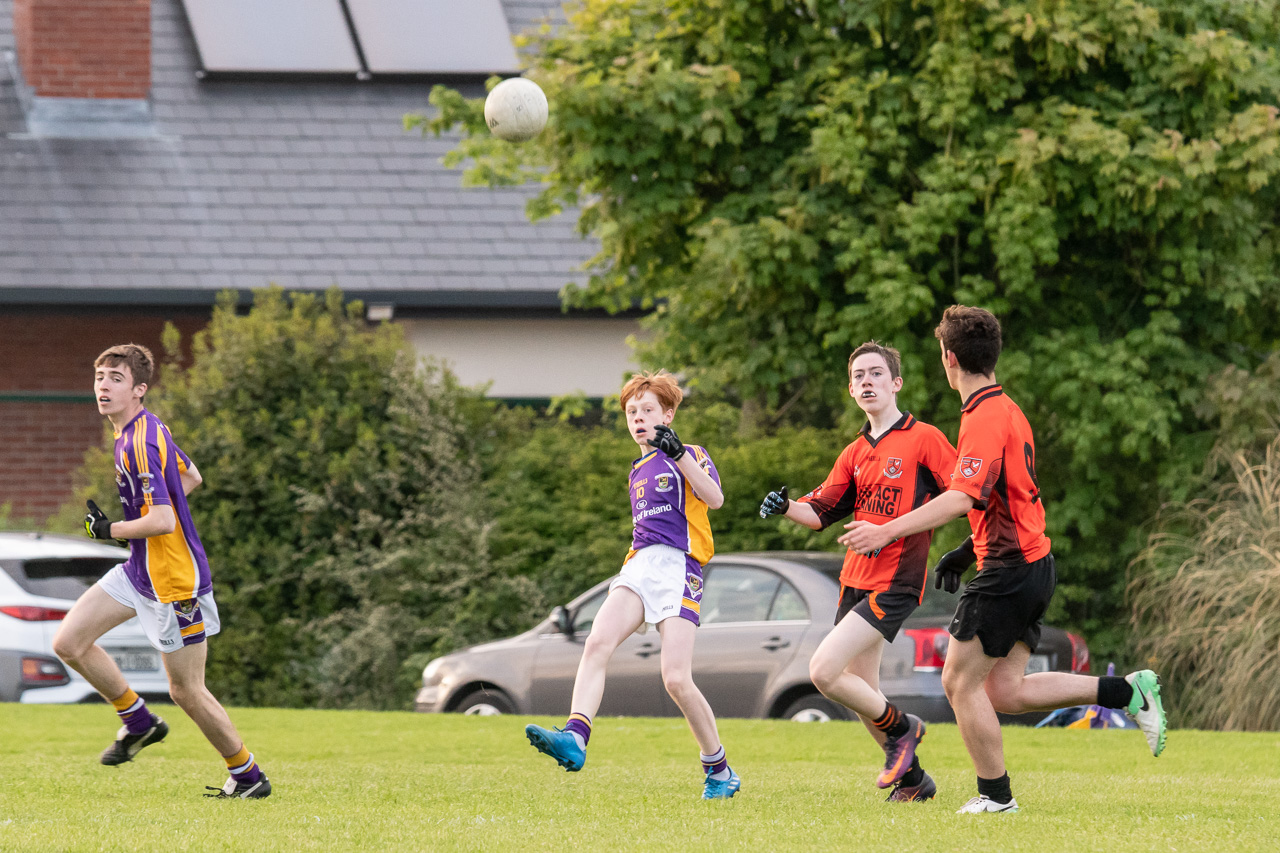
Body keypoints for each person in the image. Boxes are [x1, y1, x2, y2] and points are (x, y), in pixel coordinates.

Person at [840, 306, 1167, 814]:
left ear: (949, 359)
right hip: (1033, 563)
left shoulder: (984, 417)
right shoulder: (1007, 408)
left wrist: (885, 529)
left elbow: (961, 498)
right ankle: (1126, 691)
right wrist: (966, 549)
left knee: (958, 682)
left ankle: (995, 798)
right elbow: (1008, 495)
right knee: (1005, 690)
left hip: (1010, 570)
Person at [53, 344, 270, 799]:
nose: (104, 386)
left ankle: (248, 776)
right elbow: (191, 477)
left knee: (187, 690)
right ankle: (137, 721)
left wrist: (111, 528)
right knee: (69, 642)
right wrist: (138, 529)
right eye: (100, 377)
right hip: (139, 570)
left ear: (139, 389)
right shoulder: (143, 430)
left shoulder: (139, 441)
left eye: (115, 378)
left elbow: (164, 521)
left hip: (174, 584)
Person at [524, 370, 739, 800]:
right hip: (639, 565)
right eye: (631, 412)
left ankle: (718, 768)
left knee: (676, 679)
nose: (638, 418)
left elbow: (715, 498)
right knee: (596, 643)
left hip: (680, 567)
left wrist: (680, 457)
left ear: (668, 414)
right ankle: (576, 736)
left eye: (647, 410)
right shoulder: (637, 469)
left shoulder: (690, 453)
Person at [759, 341, 956, 802]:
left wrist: (965, 548)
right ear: (851, 390)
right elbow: (820, 510)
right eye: (859, 377)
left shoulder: (924, 438)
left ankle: (906, 729)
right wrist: (786, 506)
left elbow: (960, 498)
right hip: (854, 580)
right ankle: (913, 782)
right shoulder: (853, 452)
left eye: (876, 374)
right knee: (862, 693)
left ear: (896, 384)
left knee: (824, 672)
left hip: (896, 581)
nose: (867, 382)